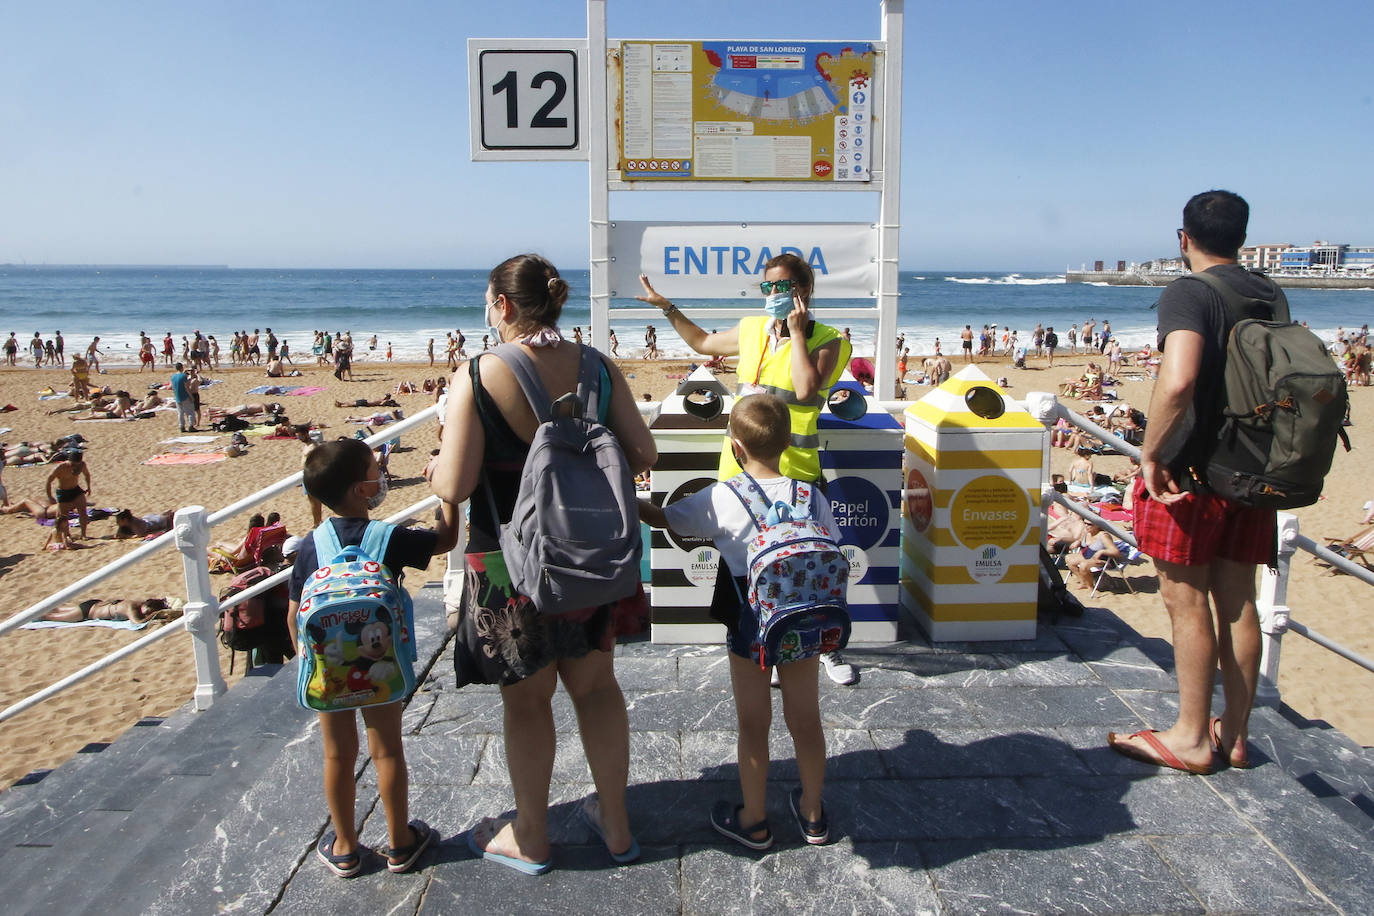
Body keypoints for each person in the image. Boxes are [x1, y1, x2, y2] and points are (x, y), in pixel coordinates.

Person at [429, 253, 656, 875]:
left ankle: (530, 836)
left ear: (501, 305)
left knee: (528, 704)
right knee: (598, 689)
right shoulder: (598, 367)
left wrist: (436, 467)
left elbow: (454, 482)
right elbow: (645, 452)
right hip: (589, 557)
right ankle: (615, 824)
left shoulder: (476, 374)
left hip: (507, 564)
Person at [1109, 190, 1283, 775]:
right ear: (1242, 238)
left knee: (1187, 607)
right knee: (1239, 604)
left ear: (1183, 239)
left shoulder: (1190, 291)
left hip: (1194, 475)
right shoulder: (1268, 292)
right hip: (1255, 472)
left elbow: (1179, 380)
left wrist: (1151, 453)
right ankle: (1233, 735)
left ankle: (1189, 736)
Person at [637, 252, 858, 686]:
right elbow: (702, 343)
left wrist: (796, 333)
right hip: (741, 475)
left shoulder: (830, 339)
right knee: (751, 569)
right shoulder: (753, 328)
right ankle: (767, 643)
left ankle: (826, 650)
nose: (774, 294)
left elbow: (807, 386)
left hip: (797, 476)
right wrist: (666, 307)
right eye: (768, 287)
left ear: (804, 290)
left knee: (810, 565)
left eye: (784, 286)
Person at [638, 394, 835, 849]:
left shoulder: (722, 497)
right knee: (806, 719)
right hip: (803, 615)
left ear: (735, 447)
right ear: (788, 442)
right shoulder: (810, 495)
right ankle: (812, 813)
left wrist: (631, 503)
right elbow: (831, 545)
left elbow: (670, 521)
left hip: (748, 614)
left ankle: (754, 819)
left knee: (753, 722)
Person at [288, 438, 458, 876]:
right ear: (361, 490)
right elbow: (446, 539)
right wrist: (447, 493)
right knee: (386, 752)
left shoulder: (311, 545)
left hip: (329, 668)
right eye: (373, 471)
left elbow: (294, 615)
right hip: (380, 665)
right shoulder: (386, 538)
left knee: (337, 756)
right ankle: (400, 842)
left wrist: (310, 660)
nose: (380, 477)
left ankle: (345, 846)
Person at [45, 450, 91, 539]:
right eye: (73, 464)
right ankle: (66, 535)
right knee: (63, 516)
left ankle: (83, 534)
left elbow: (87, 475)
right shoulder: (60, 467)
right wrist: (50, 496)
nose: (74, 467)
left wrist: (88, 486)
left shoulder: (81, 465)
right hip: (63, 492)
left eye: (76, 464)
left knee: (83, 511)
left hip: (75, 490)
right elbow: (49, 481)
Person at [42, 596, 181, 624]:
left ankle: (31, 612)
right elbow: (137, 622)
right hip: (87, 612)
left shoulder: (137, 602)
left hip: (93, 605)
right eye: (148, 611)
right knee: (50, 617)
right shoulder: (131, 607)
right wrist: (156, 615)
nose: (147, 614)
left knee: (57, 609)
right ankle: (25, 617)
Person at [169, 362, 195, 432]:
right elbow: (187, 387)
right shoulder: (183, 376)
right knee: (190, 412)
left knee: (180, 413)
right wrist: (191, 396)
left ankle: (182, 426)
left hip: (177, 396)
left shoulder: (173, 376)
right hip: (184, 395)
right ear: (182, 367)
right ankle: (191, 426)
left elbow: (172, 387)